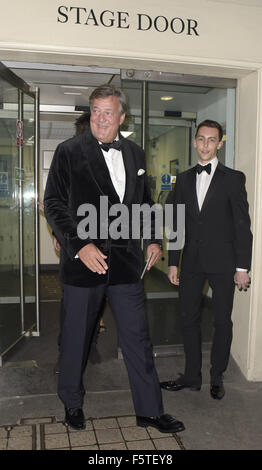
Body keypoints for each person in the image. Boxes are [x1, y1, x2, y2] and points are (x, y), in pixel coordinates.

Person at [44, 84, 185, 433]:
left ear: (122, 117)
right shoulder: (68, 151)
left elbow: (144, 204)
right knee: (78, 336)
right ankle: (72, 403)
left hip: (125, 263)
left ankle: (149, 410)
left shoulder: (135, 153)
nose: (101, 119)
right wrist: (80, 245)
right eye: (95, 111)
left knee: (138, 337)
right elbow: (54, 204)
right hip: (83, 263)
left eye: (108, 112)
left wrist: (153, 241)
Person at [161, 119, 252, 400]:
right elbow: (176, 225)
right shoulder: (184, 179)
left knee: (222, 321)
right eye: (201, 139)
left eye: (212, 140)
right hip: (191, 262)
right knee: (188, 319)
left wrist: (242, 267)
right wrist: (173, 262)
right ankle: (191, 376)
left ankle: (216, 377)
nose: (205, 145)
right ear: (194, 141)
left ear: (220, 144)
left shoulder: (233, 178)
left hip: (225, 263)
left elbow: (241, 226)